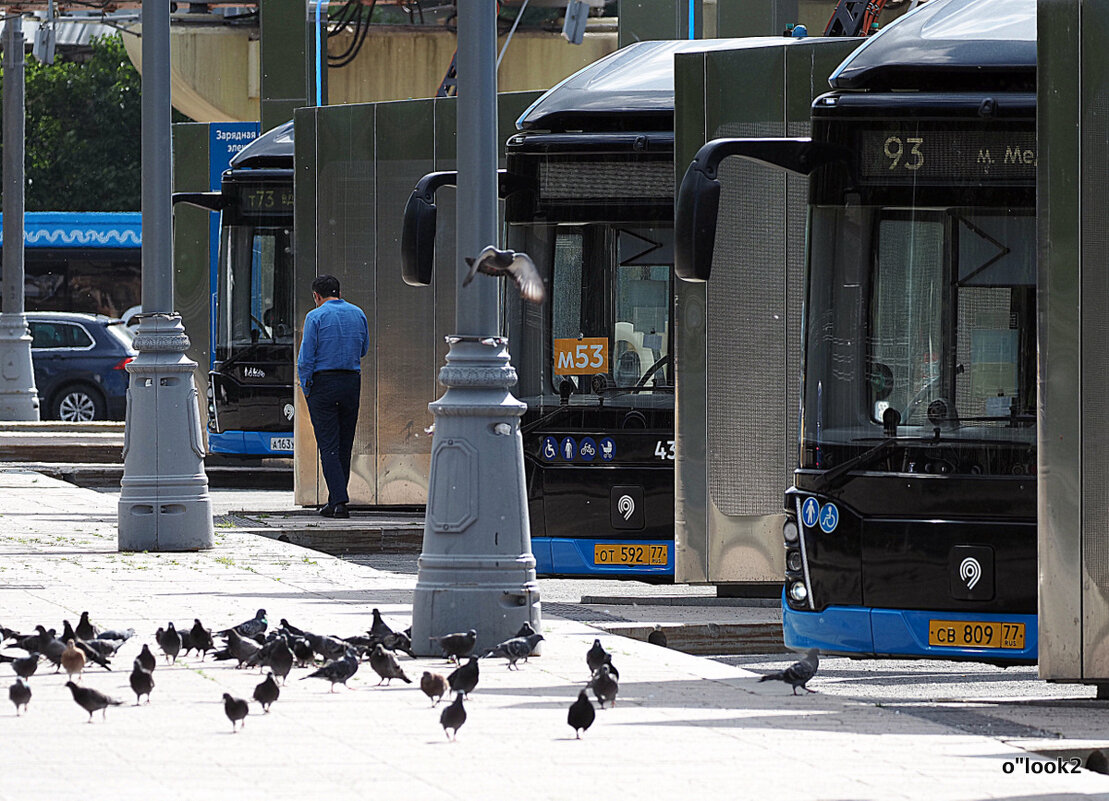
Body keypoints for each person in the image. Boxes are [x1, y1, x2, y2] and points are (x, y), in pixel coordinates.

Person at [296, 274, 369, 519]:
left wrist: (307, 387)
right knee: (344, 444)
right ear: (338, 291)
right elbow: (363, 349)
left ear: (317, 296)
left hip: (323, 383)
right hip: (351, 381)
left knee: (328, 445)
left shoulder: (314, 316)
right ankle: (335, 500)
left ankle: (338, 501)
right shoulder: (358, 313)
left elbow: (306, 358)